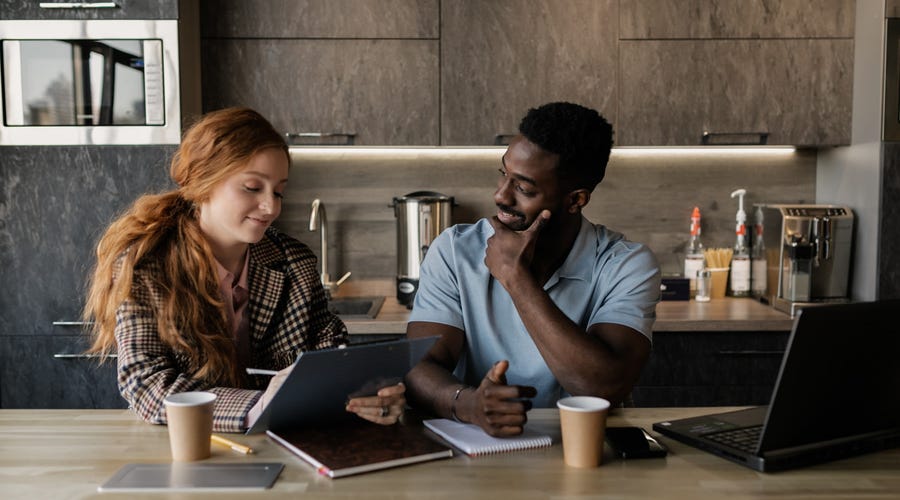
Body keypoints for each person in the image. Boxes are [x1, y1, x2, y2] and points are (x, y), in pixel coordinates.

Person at [83, 107, 405, 433]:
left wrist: (366, 393)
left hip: (288, 447)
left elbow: (331, 352)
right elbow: (145, 383)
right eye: (253, 187)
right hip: (192, 451)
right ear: (203, 182)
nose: (271, 207)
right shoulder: (146, 266)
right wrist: (259, 406)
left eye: (278, 191)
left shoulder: (295, 263)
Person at [404, 102, 661, 437]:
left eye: (523, 188)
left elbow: (602, 388)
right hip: (479, 445)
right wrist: (467, 403)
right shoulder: (455, 251)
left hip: (585, 449)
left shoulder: (626, 265)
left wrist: (516, 278)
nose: (500, 195)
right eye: (503, 174)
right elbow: (417, 367)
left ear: (575, 200)